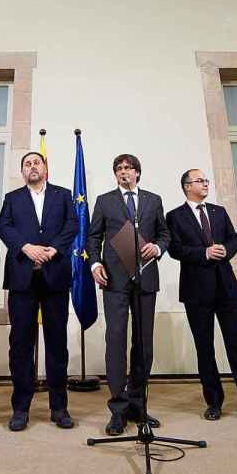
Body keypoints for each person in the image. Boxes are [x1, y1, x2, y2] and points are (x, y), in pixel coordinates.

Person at [167, 169, 237, 424]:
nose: (205, 184)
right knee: (205, 349)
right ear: (186, 186)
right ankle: (213, 402)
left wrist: (225, 249)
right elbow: (174, 249)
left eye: (206, 180)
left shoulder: (218, 211)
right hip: (196, 291)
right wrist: (203, 253)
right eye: (200, 181)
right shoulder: (174, 216)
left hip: (226, 288)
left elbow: (235, 240)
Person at [87, 153, 169, 436]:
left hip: (146, 278)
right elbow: (93, 236)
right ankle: (118, 409)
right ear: (115, 174)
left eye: (129, 168)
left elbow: (164, 234)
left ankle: (138, 405)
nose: (124, 172)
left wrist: (158, 248)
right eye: (119, 168)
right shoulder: (105, 201)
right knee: (117, 341)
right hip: (115, 280)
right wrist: (95, 263)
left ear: (137, 173)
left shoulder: (152, 200)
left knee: (143, 344)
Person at [0, 152, 78, 431]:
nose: (33, 167)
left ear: (46, 168)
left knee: (57, 344)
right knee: (20, 345)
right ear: (22, 171)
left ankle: (59, 407)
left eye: (37, 162)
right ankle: (20, 407)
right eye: (27, 164)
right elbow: (3, 227)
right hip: (22, 280)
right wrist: (26, 247)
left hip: (55, 277)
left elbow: (72, 225)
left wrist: (53, 248)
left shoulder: (63, 195)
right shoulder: (12, 198)